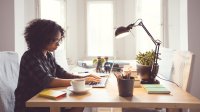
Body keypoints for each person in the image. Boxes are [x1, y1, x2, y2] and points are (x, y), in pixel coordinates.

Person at [14, 19, 100, 112]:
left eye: (59, 40)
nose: (58, 44)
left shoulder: (48, 55)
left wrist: (83, 78)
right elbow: (48, 81)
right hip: (31, 106)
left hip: (47, 100)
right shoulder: (29, 57)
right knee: (80, 102)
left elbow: (62, 73)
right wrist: (81, 81)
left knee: (81, 102)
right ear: (42, 39)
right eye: (55, 40)